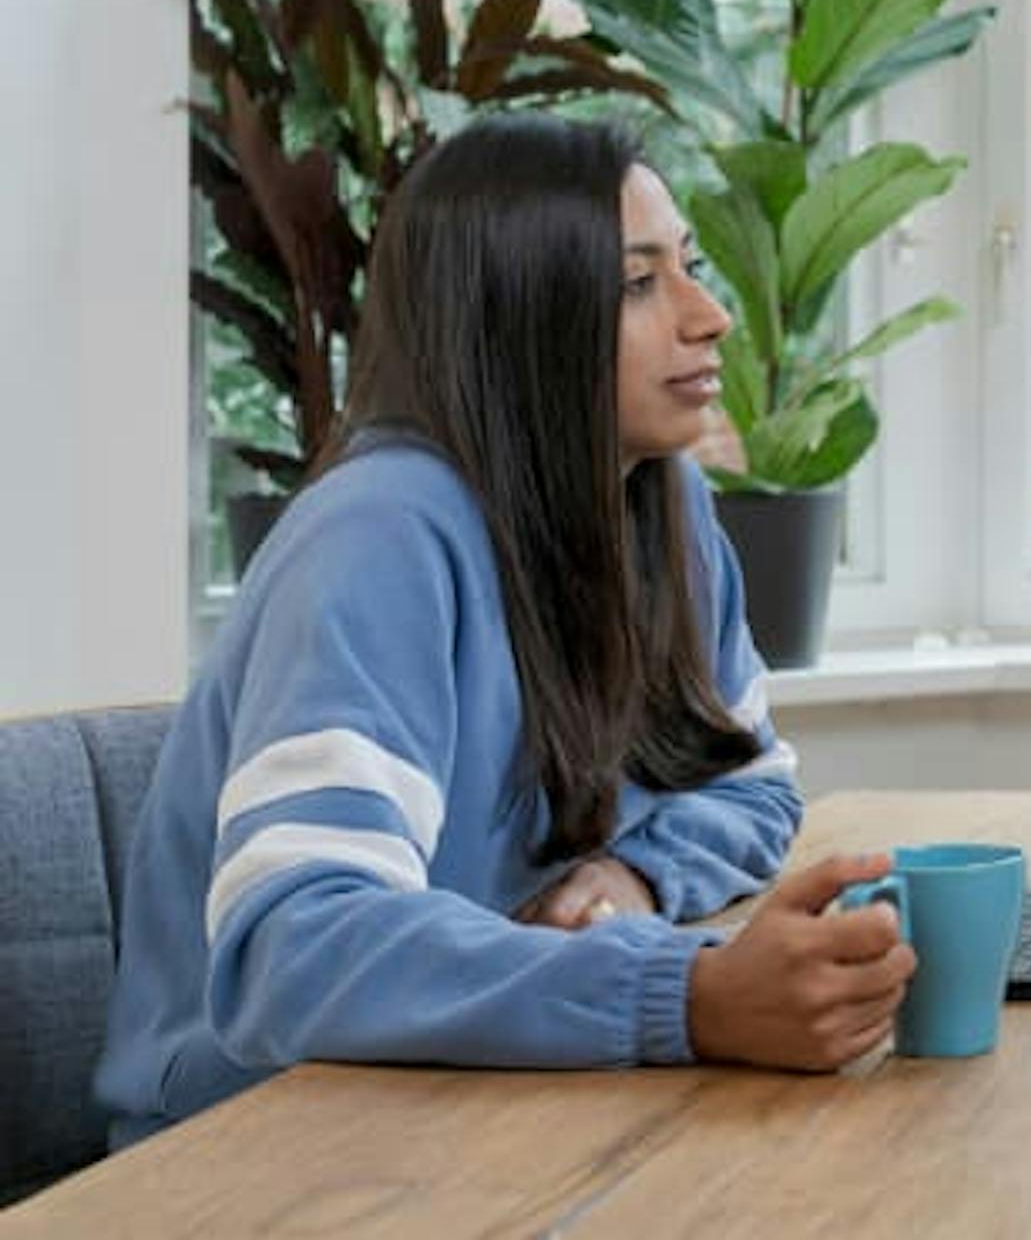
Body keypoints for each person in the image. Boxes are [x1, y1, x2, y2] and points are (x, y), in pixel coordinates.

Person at [97, 116, 915, 1146]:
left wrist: (638, 877)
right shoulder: (379, 536)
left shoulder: (664, 508)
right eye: (638, 283)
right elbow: (293, 950)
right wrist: (684, 995)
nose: (709, 317)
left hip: (481, 1103)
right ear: (516, 317)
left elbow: (750, 779)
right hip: (260, 1148)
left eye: (692, 269)